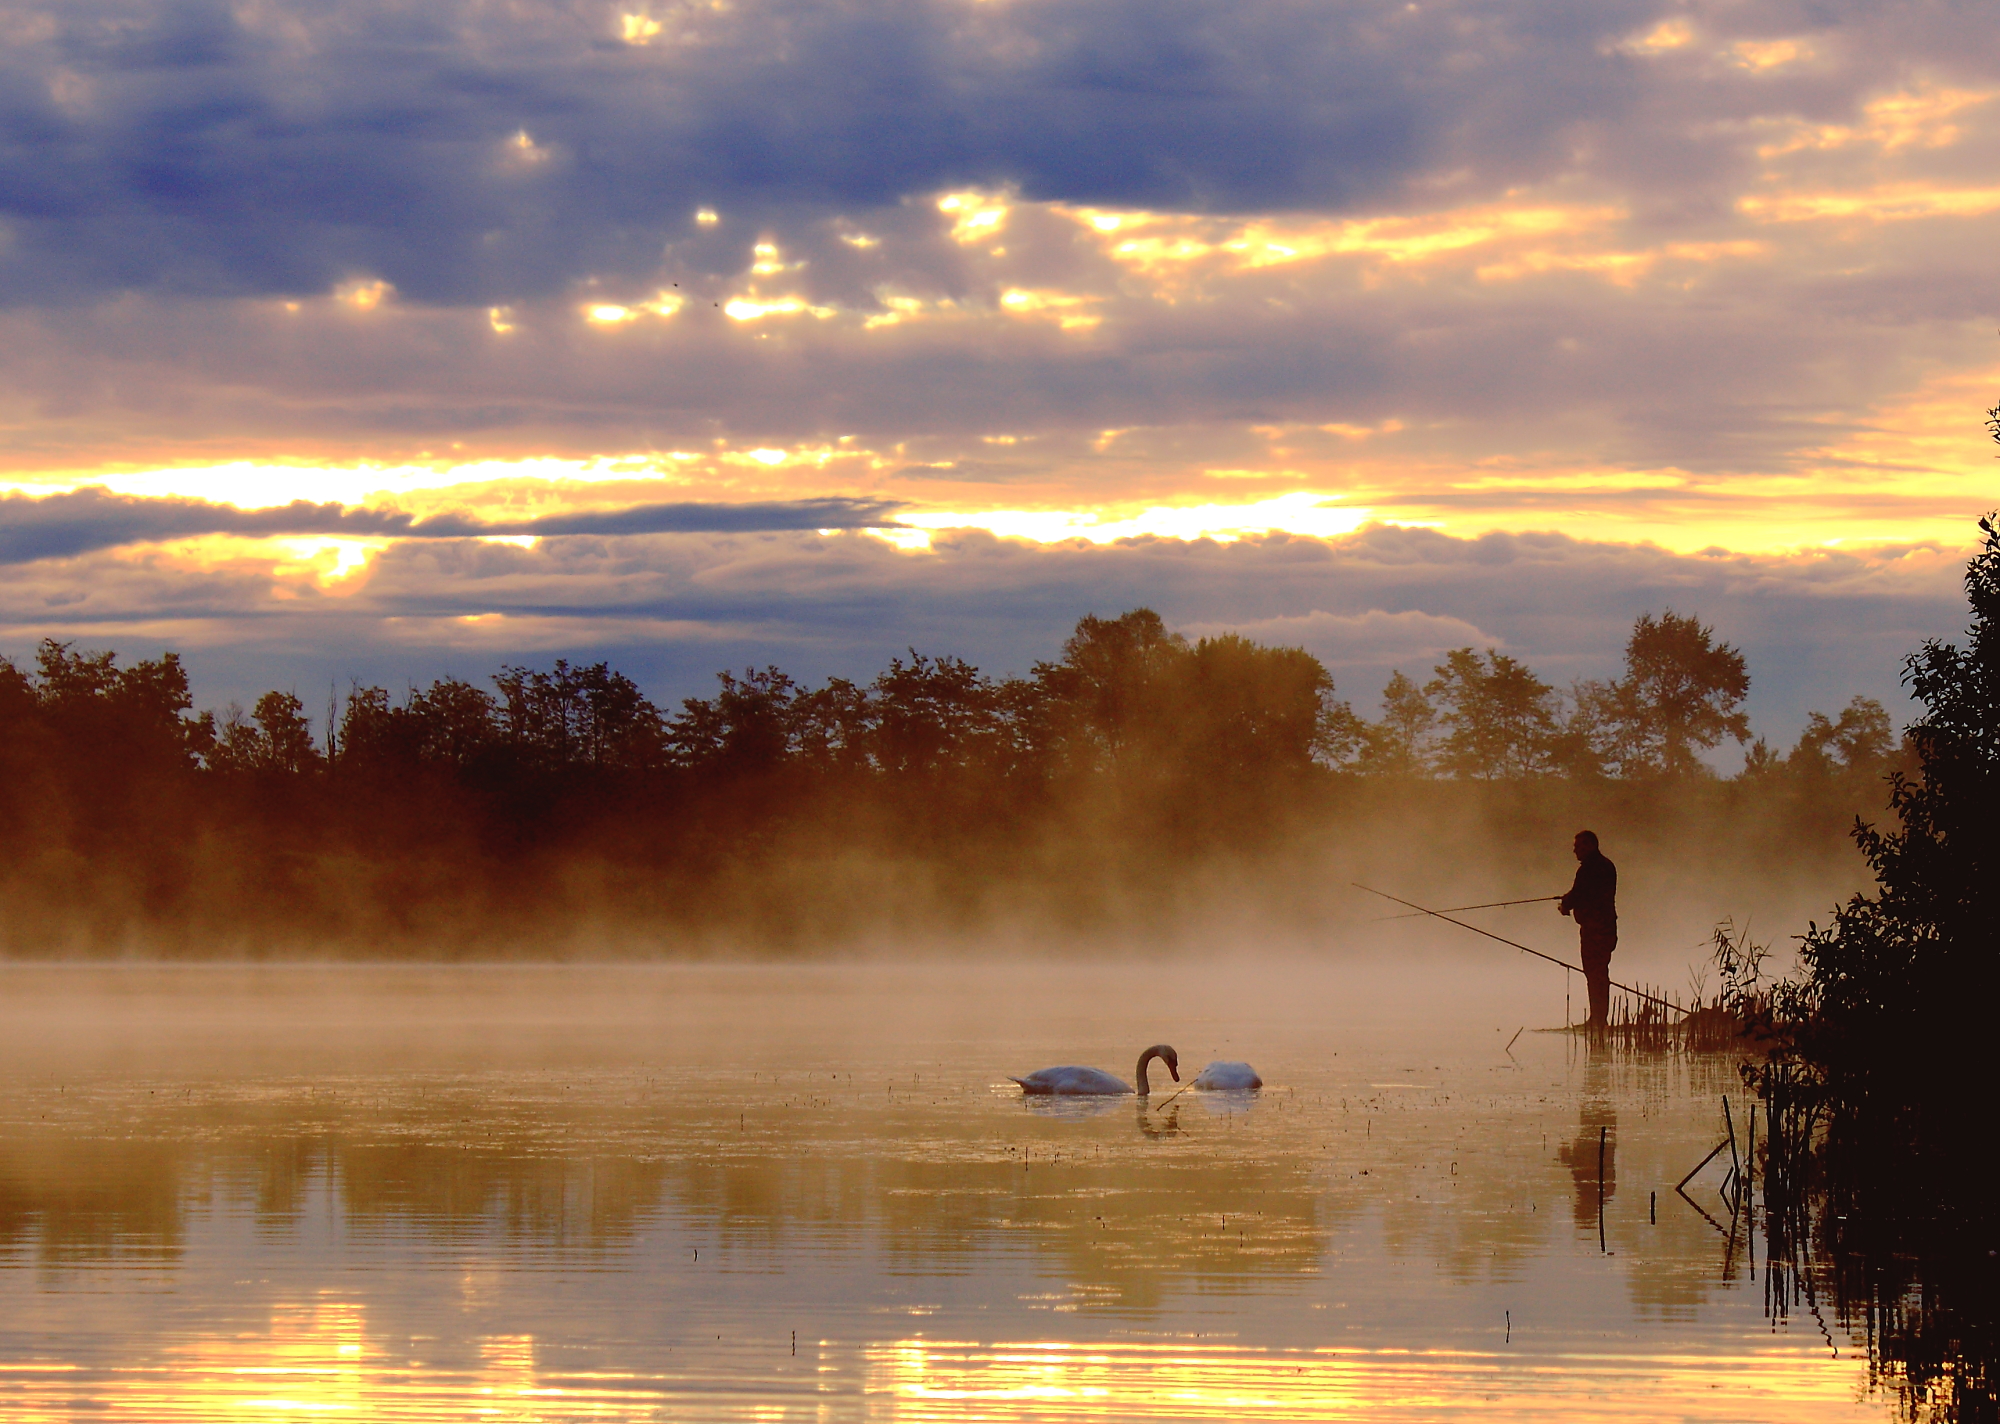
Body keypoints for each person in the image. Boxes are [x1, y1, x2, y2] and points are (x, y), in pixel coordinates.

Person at [1558, 830, 1617, 1030]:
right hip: (1607, 928)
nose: (1575, 850)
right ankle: (1599, 1018)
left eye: (1579, 846)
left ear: (1591, 845)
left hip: (1595, 930)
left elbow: (1579, 895)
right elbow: (1585, 894)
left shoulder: (1589, 869)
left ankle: (1597, 1020)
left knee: (1594, 974)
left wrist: (1565, 904)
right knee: (1599, 973)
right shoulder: (1607, 866)